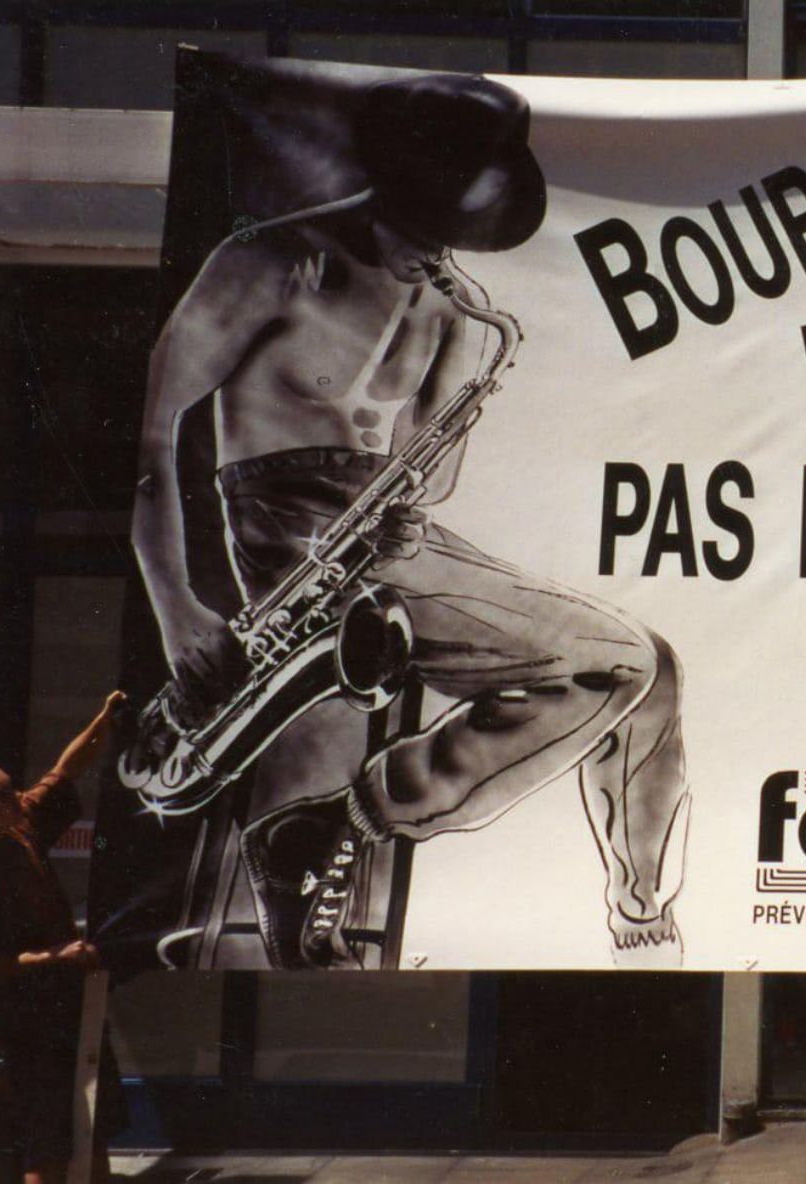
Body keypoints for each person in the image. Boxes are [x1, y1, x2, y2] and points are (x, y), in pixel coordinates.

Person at [129, 72, 688, 969]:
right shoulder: (272, 261)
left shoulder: (450, 304)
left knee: (646, 664)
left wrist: (443, 421)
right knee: (622, 661)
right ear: (388, 194)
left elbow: (428, 479)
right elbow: (153, 434)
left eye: (456, 240)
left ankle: (643, 918)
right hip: (285, 527)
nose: (435, 260)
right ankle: (347, 820)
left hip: (384, 541)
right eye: (425, 235)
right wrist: (176, 608)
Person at [0, 692, 127, 1184]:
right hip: (28, 1023)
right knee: (48, 1146)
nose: (18, 797)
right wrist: (51, 957)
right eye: (2, 795)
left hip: (70, 1004)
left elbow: (64, 770)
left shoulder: (17, 827)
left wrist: (104, 720)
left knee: (92, 1130)